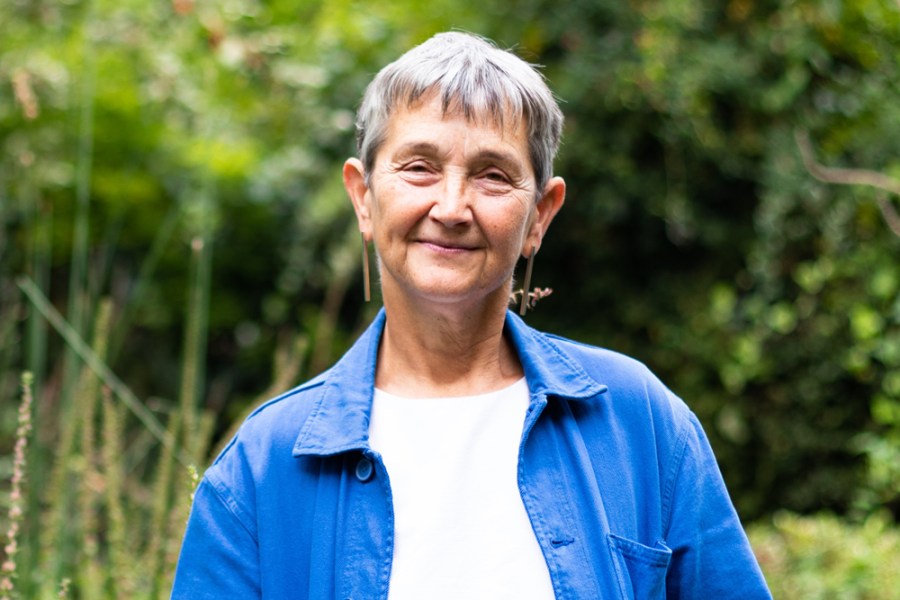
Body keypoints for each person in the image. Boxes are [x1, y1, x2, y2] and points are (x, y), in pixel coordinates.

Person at [171, 31, 771, 599]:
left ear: (540, 214)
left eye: (492, 175)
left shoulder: (639, 422)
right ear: (363, 197)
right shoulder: (261, 469)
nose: (452, 207)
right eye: (419, 167)